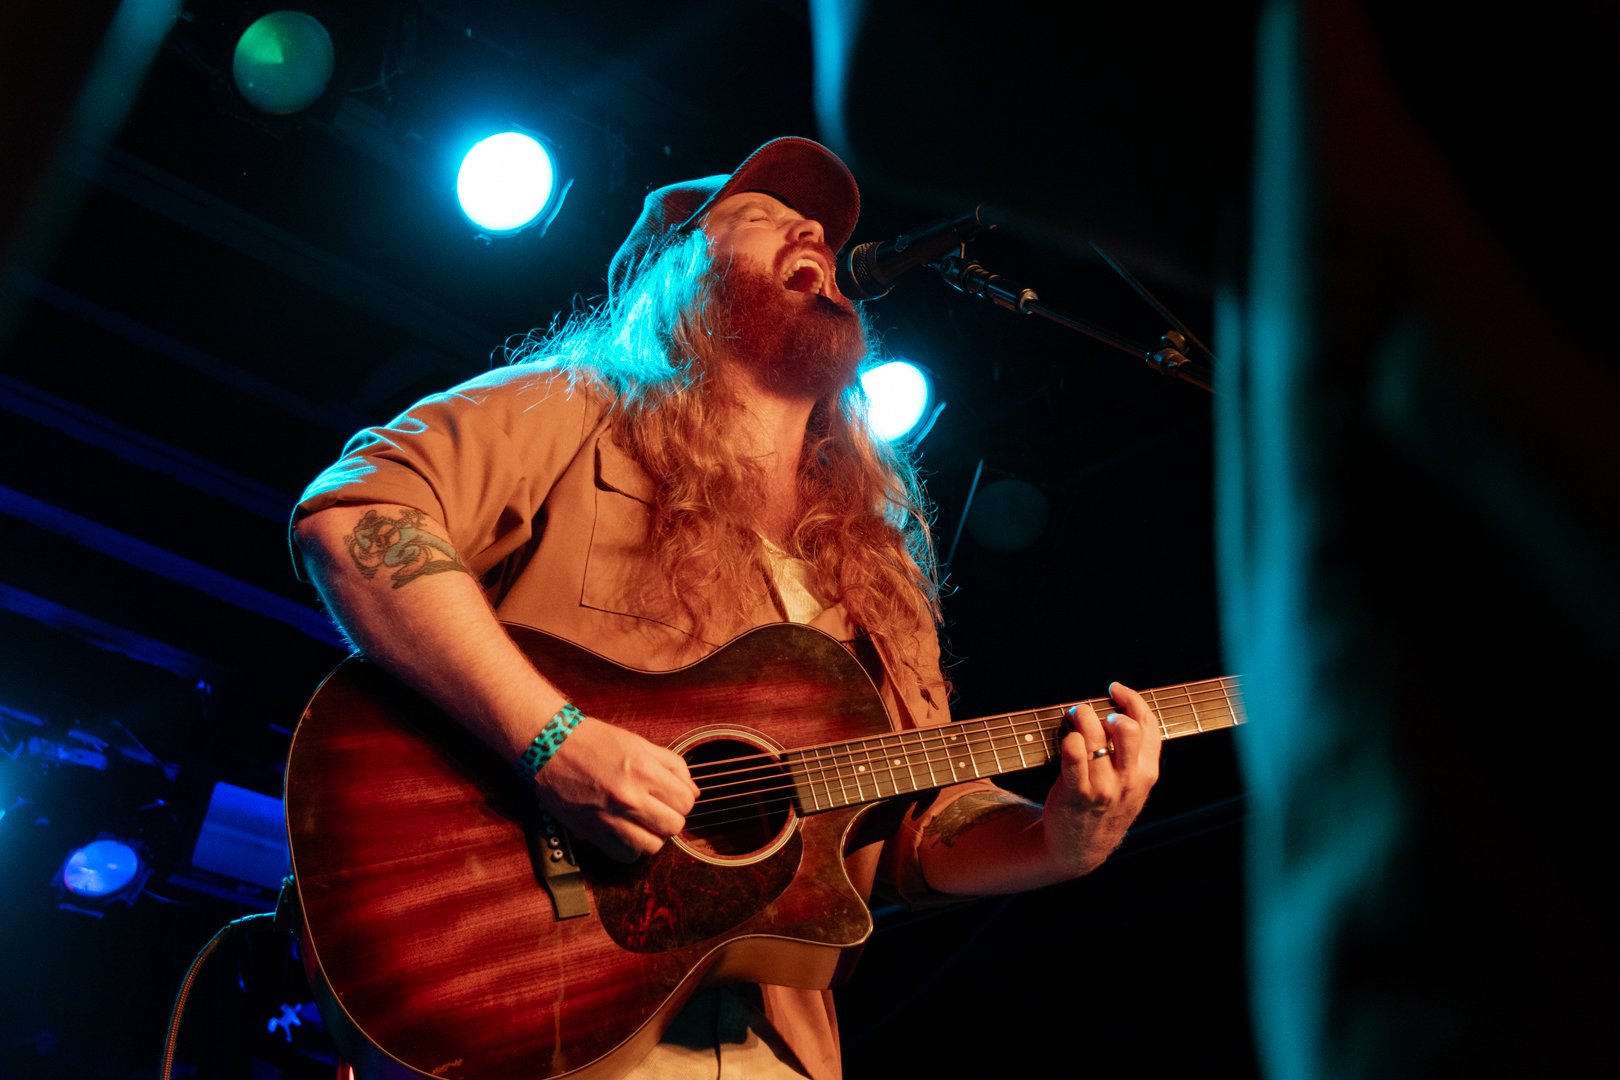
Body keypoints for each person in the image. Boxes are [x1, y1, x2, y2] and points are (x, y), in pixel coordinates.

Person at [290, 136, 1163, 1079]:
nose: (814, 233)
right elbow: (359, 517)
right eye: (763, 214)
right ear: (675, 273)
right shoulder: (580, 408)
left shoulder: (877, 564)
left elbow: (909, 835)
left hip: (774, 1052)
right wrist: (553, 739)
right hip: (528, 1010)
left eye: (824, 233)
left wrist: (1057, 841)